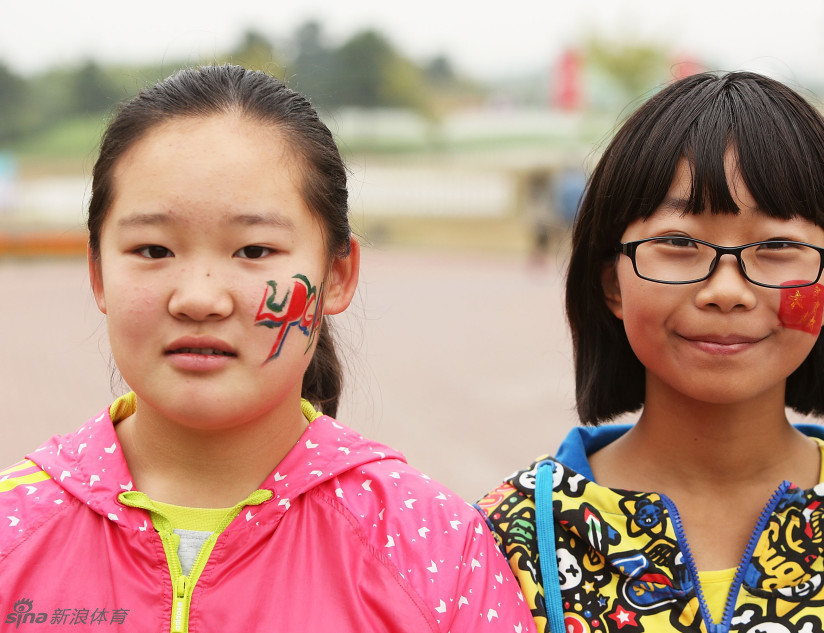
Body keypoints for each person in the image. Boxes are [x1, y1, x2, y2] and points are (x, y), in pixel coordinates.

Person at [0, 65, 533, 632]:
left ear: (336, 275)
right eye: (153, 249)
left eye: (254, 250)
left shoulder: (434, 547)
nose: (199, 298)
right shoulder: (14, 529)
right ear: (98, 274)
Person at [478, 71, 824, 633]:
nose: (726, 291)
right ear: (611, 282)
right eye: (678, 243)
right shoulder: (507, 539)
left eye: (778, 246)